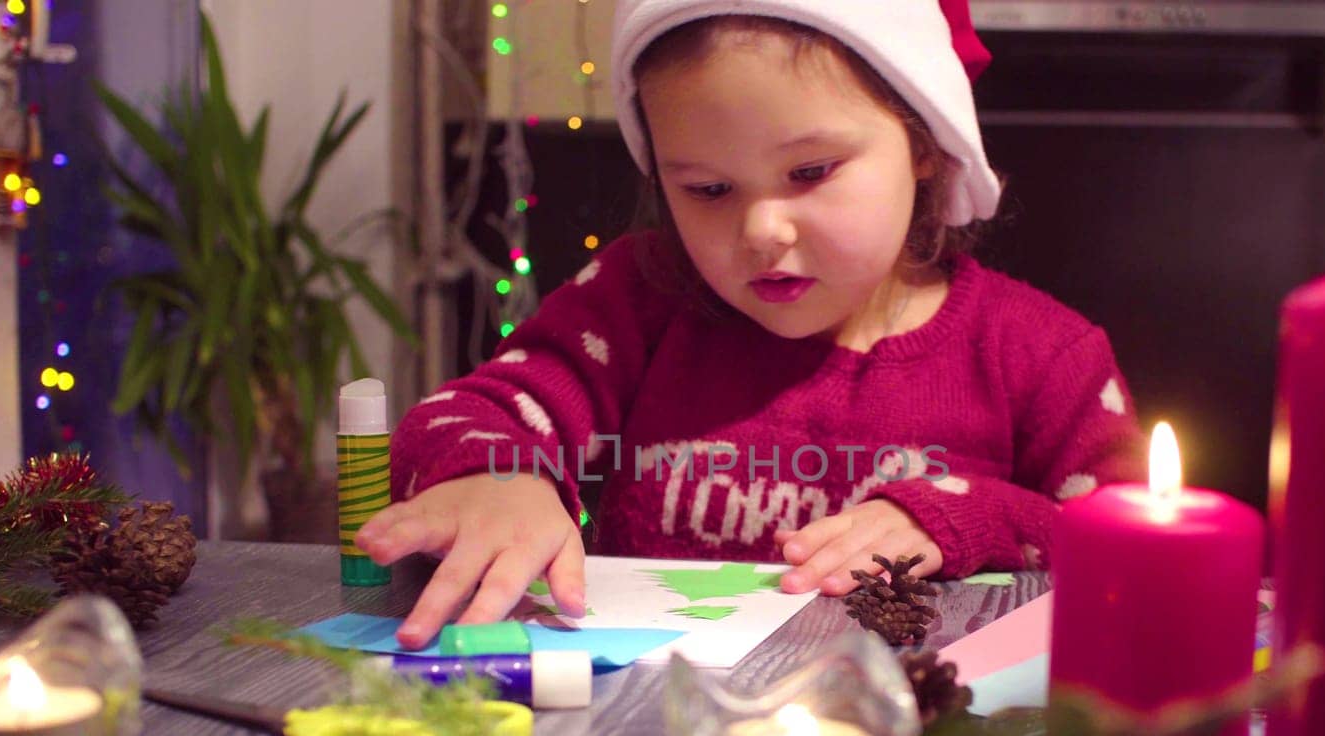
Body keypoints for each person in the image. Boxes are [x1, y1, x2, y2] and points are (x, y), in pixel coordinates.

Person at [358, 0, 1145, 649]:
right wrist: (498, 479)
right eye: (707, 188)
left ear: (924, 145)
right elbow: (470, 413)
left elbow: (1130, 547)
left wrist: (960, 514)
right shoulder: (638, 298)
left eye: (810, 173)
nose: (762, 229)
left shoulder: (1041, 354)